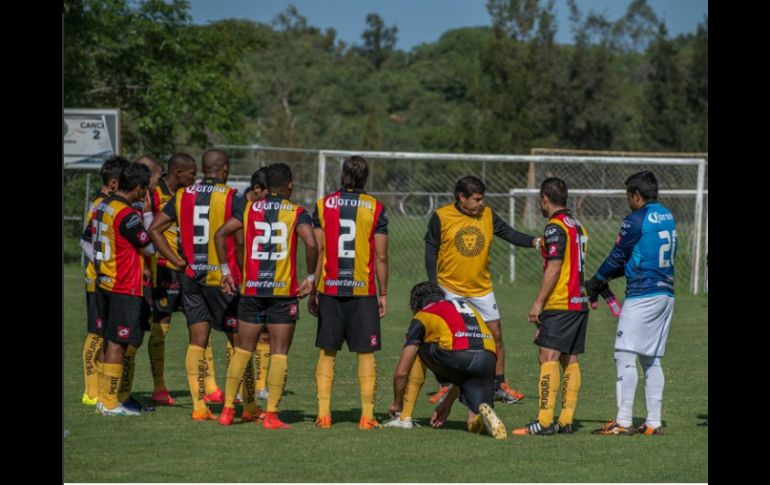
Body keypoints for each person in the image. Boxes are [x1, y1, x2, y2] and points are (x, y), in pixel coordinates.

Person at [215, 163, 318, 428]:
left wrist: (225, 271)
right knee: (279, 352)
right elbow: (311, 242)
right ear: (290, 186)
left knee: (242, 350)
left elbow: (220, 234)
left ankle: (227, 411)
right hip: (283, 293)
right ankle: (271, 415)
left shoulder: (249, 208)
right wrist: (310, 277)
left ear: (267, 185)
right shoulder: (297, 212)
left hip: (251, 290)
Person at [424, 175, 540, 405]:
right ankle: (446, 385)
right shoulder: (441, 216)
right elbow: (430, 251)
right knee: (439, 337)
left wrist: (535, 242)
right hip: (449, 288)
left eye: (482, 199)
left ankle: (499, 385)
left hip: (481, 289)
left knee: (496, 335)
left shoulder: (487, 215)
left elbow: (509, 233)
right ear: (462, 197)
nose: (481, 204)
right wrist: (433, 286)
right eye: (476, 200)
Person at [149, 148, 241, 421]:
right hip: (221, 279)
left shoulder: (181, 196)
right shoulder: (231, 196)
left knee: (197, 342)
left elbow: (154, 229)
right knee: (240, 342)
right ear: (224, 169)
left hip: (191, 276)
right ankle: (240, 405)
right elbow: (240, 238)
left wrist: (176, 261)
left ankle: (198, 407)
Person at [587, 171, 677, 436]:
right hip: (666, 293)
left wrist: (596, 280)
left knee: (624, 355)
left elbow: (618, 256)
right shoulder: (668, 216)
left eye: (629, 196)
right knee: (651, 359)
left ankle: (623, 422)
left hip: (643, 295)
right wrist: (609, 277)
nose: (628, 202)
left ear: (637, 195)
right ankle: (653, 422)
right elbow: (639, 255)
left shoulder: (635, 220)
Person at [309, 155, 388, 430]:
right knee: (365, 353)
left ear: (343, 176)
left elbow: (318, 250)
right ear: (366, 178)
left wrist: (313, 289)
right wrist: (383, 293)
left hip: (329, 289)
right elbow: (380, 257)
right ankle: (366, 416)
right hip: (362, 291)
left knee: (328, 352)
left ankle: (323, 415)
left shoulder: (322, 205)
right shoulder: (375, 208)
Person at [512, 177, 588, 435]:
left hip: (561, 302)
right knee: (570, 359)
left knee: (547, 357)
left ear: (544, 198)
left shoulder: (555, 226)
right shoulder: (577, 225)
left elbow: (555, 267)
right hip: (579, 301)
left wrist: (538, 303)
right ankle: (565, 420)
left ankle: (544, 422)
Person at [384, 281, 507, 440]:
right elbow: (462, 374)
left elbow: (402, 372)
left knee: (418, 344)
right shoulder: (465, 306)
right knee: (472, 423)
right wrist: (446, 404)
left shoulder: (423, 314)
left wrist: (396, 403)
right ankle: (482, 419)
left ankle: (404, 418)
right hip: (488, 359)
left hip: (458, 357)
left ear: (416, 305)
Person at [92, 161, 155, 416]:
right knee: (118, 342)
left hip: (104, 281)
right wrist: (148, 214)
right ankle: (110, 402)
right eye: (146, 189)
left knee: (110, 341)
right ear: (139, 189)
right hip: (123, 285)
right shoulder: (127, 214)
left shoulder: (102, 205)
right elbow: (148, 246)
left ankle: (105, 397)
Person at [146, 153, 198, 406]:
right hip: (164, 268)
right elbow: (150, 228)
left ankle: (206, 386)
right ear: (178, 173)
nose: (195, 178)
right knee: (161, 322)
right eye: (192, 174)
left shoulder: (189, 195)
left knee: (199, 320)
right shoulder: (155, 193)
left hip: (188, 268)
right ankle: (158, 387)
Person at [79, 156, 130, 406]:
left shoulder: (105, 203)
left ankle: (102, 389)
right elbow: (85, 239)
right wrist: (100, 264)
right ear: (113, 184)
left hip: (107, 278)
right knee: (96, 333)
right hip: (98, 279)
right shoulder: (100, 204)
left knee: (106, 334)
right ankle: (91, 390)